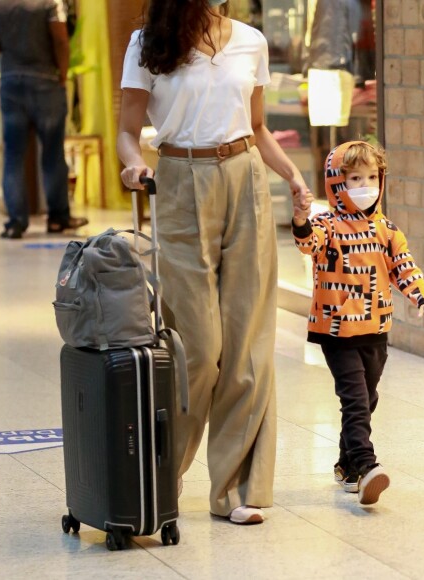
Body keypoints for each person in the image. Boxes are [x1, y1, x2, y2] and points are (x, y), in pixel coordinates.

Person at [117, 0, 310, 525]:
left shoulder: (251, 40)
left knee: (247, 342)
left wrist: (293, 178)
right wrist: (135, 167)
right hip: (180, 178)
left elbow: (259, 126)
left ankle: (235, 490)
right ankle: (162, 476)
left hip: (245, 174)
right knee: (197, 348)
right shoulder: (149, 43)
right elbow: (128, 132)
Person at [291, 141, 424, 505]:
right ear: (337, 182)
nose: (365, 185)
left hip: (376, 329)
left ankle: (346, 465)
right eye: (355, 177)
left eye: (372, 177)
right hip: (337, 330)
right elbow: (309, 244)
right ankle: (367, 464)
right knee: (355, 400)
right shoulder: (327, 225)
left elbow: (405, 267)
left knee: (368, 397)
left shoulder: (386, 229)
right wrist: (300, 220)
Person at [0, 0, 88, 240]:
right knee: (52, 153)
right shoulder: (50, 2)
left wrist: (10, 48)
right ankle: (58, 219)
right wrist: (61, 75)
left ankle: (16, 222)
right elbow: (60, 40)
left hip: (10, 82)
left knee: (13, 155)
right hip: (46, 81)